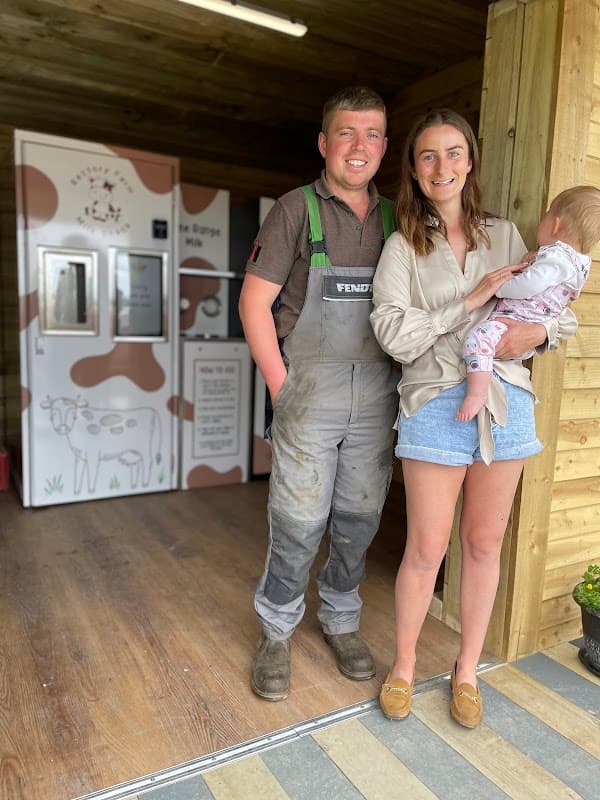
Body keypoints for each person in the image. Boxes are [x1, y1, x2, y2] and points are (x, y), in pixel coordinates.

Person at [369, 108, 577, 727]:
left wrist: (536, 334)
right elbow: (393, 335)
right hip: (434, 403)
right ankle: (404, 665)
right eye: (428, 155)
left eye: (454, 152)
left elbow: (560, 311)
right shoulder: (403, 246)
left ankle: (466, 672)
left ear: (470, 161)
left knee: (484, 544)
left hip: (506, 404)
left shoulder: (506, 236)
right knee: (425, 549)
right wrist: (471, 301)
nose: (443, 166)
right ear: (414, 169)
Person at [239, 86, 400, 701]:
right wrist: (282, 388)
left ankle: (341, 620)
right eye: (346, 133)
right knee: (299, 520)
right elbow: (254, 304)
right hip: (309, 391)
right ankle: (276, 631)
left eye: (372, 134)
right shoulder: (294, 210)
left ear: (384, 146)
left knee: (359, 520)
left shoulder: (397, 220)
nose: (359, 146)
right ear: (324, 142)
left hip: (377, 395)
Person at [457, 185, 600, 423]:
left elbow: (529, 285)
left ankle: (476, 393)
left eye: (546, 214)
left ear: (555, 225)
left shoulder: (556, 258)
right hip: (534, 327)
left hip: (517, 320)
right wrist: (535, 258)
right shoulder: (579, 263)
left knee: (476, 340)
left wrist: (499, 288)